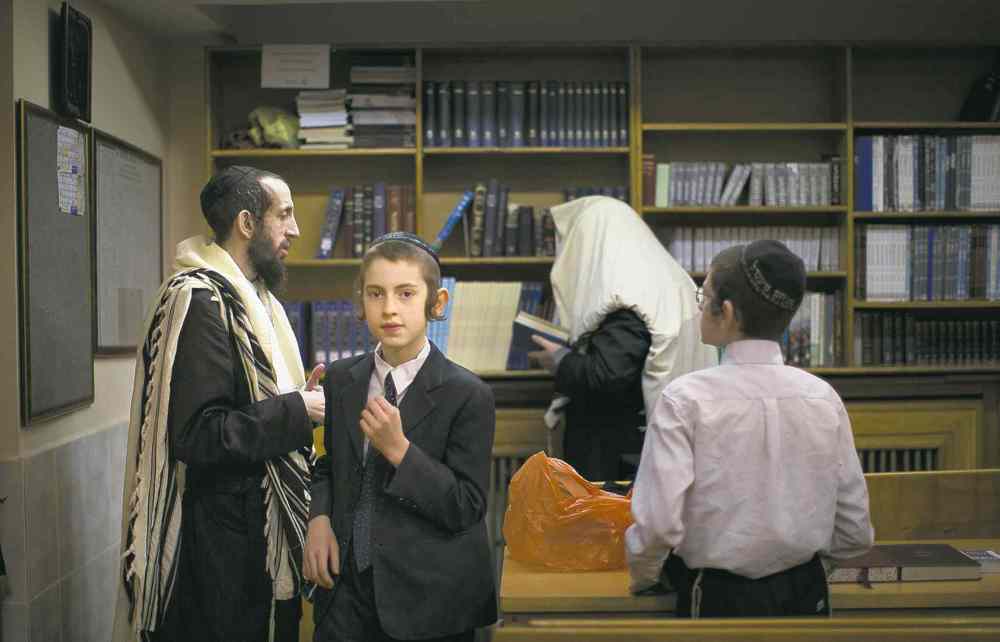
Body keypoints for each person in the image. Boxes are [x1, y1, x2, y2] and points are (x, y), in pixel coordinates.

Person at [113, 165, 325, 641]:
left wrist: (296, 397)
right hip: (221, 548)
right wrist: (299, 411)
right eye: (285, 215)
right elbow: (198, 433)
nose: (295, 229)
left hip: (256, 536)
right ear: (247, 224)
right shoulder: (200, 300)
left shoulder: (257, 297)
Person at [625, 240, 875, 618]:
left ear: (725, 312)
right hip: (807, 592)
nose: (698, 306)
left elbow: (659, 526)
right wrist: (810, 568)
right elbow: (854, 528)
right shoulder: (822, 397)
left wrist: (644, 577)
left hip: (717, 597)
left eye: (702, 295)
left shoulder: (684, 400)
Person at [305, 232, 498, 642]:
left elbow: (467, 506)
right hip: (347, 597)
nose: (389, 309)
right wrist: (318, 518)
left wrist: (400, 451)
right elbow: (327, 464)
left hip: (429, 602)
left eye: (406, 294)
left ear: (437, 303)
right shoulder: (341, 380)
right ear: (360, 302)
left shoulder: (468, 394)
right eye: (376, 294)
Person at [528, 196, 717, 482]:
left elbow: (607, 376)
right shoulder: (661, 279)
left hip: (620, 463)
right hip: (659, 447)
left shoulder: (627, 293)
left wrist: (559, 359)